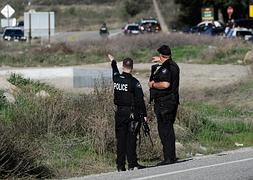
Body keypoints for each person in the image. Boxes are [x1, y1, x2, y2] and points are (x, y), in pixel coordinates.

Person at [107, 54, 147, 171]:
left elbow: (114, 70)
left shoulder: (117, 78)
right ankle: (132, 164)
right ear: (132, 67)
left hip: (119, 113)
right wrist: (144, 115)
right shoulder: (134, 82)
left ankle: (120, 165)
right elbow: (140, 100)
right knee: (131, 139)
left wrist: (113, 61)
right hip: (131, 114)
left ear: (123, 66)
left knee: (120, 140)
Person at [148, 45, 180, 166]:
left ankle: (168, 158)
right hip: (171, 101)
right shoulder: (173, 65)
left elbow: (165, 84)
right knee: (168, 129)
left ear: (162, 56)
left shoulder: (167, 67)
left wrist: (153, 85)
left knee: (164, 130)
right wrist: (160, 60)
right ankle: (171, 156)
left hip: (165, 103)